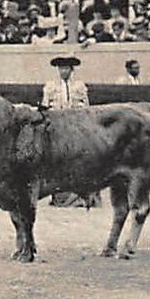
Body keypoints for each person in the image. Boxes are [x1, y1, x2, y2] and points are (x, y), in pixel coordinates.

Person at [42, 55, 97, 207]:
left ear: (71, 70)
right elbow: (45, 107)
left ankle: (81, 196)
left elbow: (86, 107)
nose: (63, 71)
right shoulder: (50, 86)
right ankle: (58, 197)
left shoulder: (79, 86)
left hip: (76, 127)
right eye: (61, 68)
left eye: (66, 68)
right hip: (57, 127)